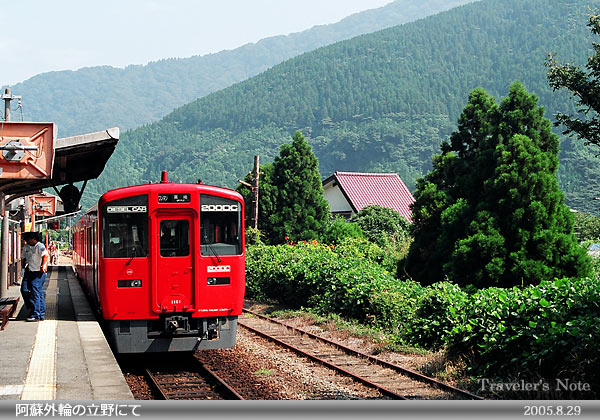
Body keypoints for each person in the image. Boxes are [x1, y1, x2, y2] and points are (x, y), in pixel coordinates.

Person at [23, 232, 49, 322]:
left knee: (35, 291)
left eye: (28, 239)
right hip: (29, 271)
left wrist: (44, 266)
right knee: (25, 289)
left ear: (34, 239)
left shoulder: (40, 246)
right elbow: (24, 258)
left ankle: (36, 314)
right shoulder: (26, 247)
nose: (27, 241)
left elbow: (45, 256)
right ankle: (37, 310)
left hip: (38, 273)